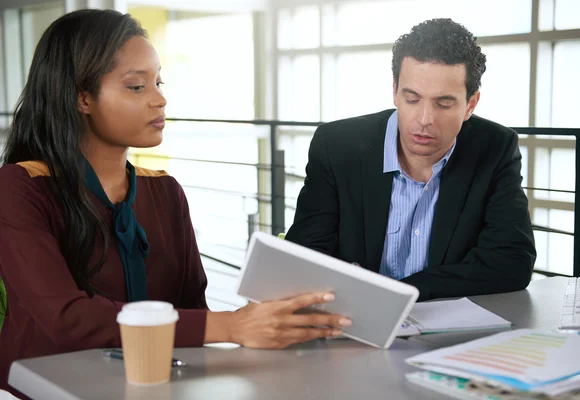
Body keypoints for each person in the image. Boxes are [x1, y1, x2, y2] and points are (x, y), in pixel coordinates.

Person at [0, 9, 351, 395]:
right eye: (137, 87)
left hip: (154, 384)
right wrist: (233, 325)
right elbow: (65, 318)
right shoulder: (19, 187)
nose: (160, 99)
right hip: (45, 387)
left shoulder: (164, 191)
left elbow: (192, 309)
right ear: (83, 98)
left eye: (158, 82)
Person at [286, 18, 536, 301]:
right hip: (349, 320)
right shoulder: (336, 145)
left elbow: (512, 262)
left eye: (443, 103)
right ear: (394, 91)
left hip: (444, 326)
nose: (424, 120)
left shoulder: (495, 147)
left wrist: (400, 293)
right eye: (412, 99)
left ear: (470, 104)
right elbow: (306, 253)